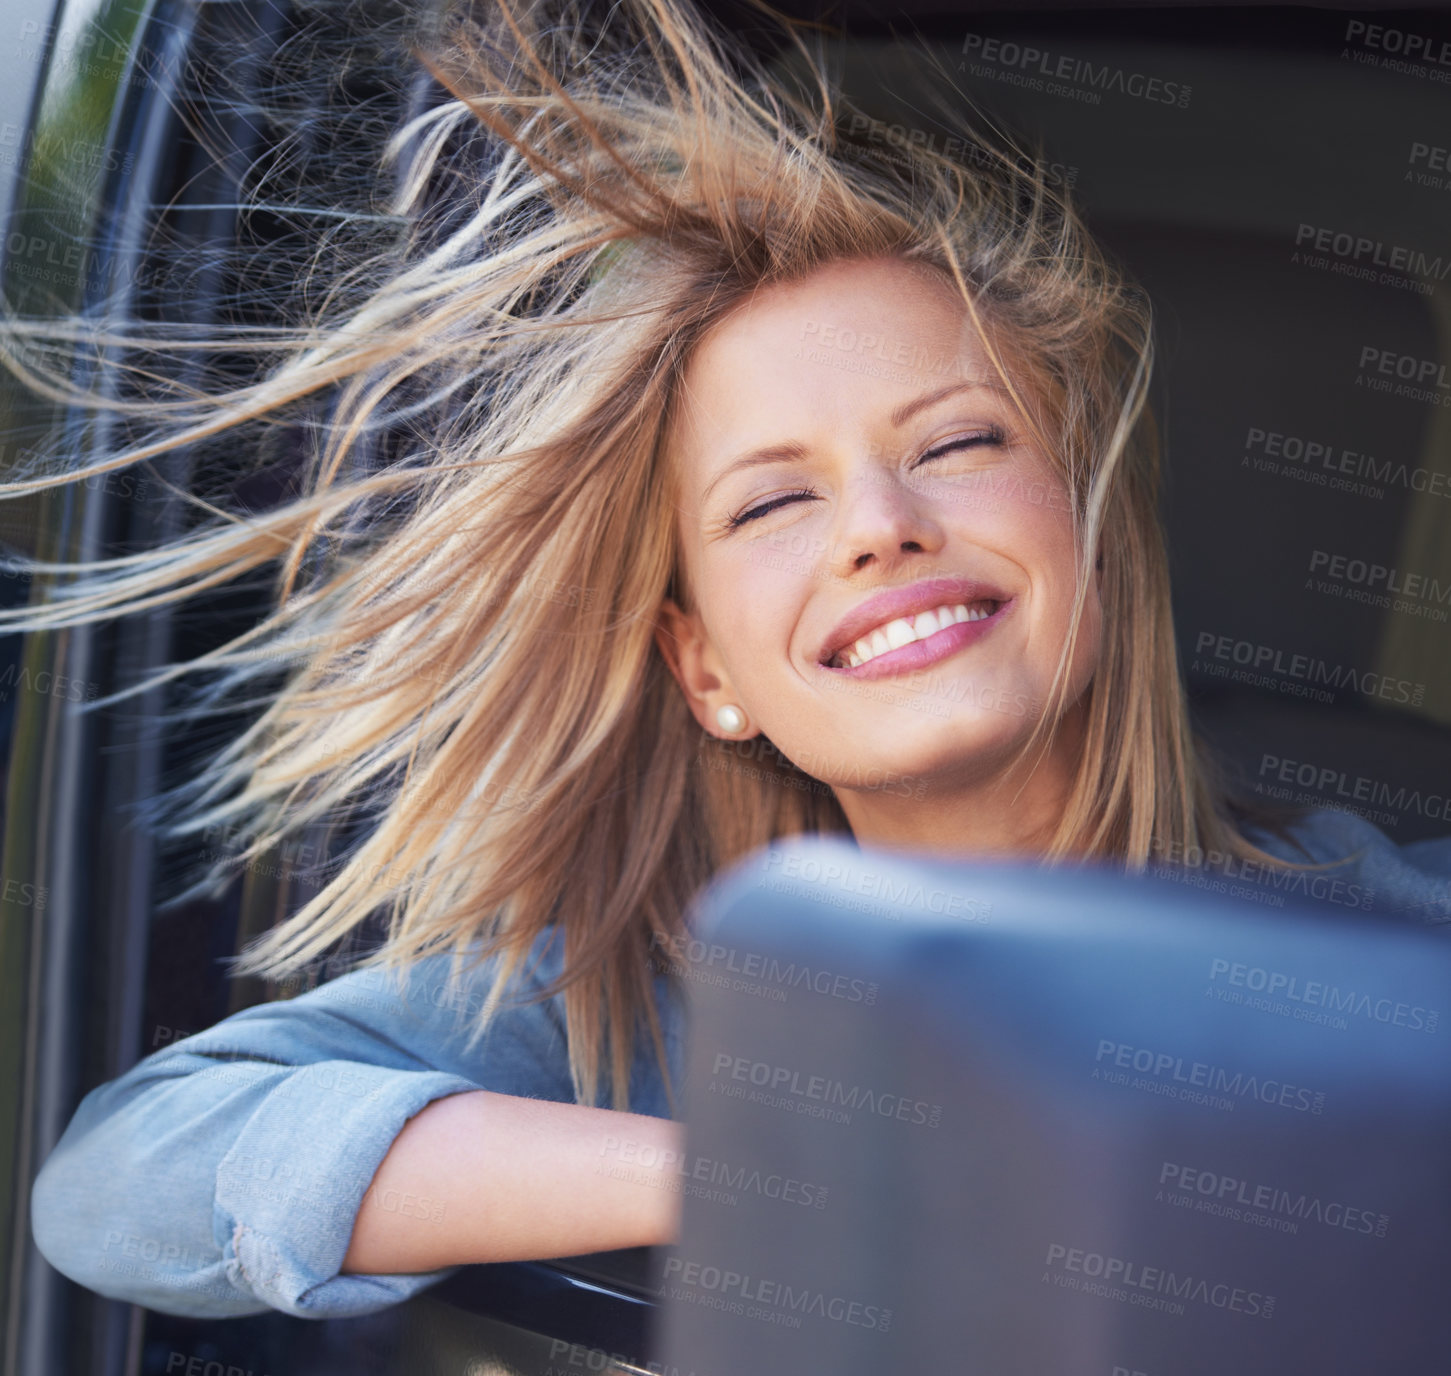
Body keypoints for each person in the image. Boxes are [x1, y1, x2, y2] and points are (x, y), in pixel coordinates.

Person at [8, 0, 1448, 1322]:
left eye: (956, 443)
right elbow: (123, 1178)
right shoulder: (639, 1010)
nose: (881, 528)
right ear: (709, 674)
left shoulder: (1385, 945)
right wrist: (756, 1174)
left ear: (1092, 535)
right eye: (771, 502)